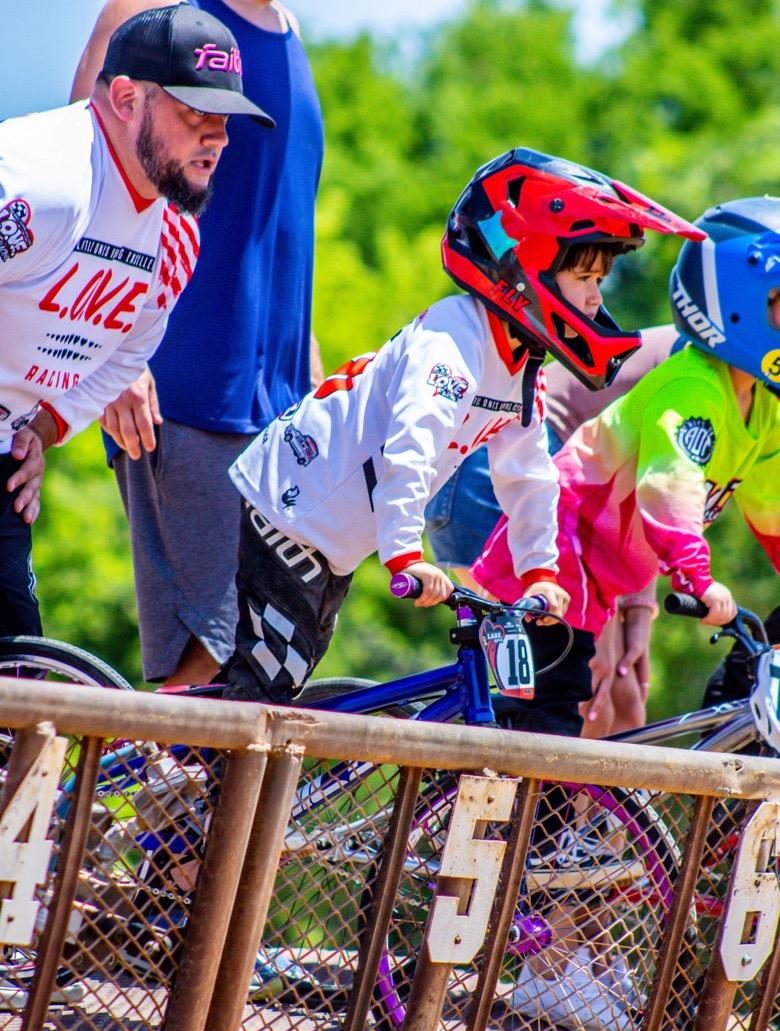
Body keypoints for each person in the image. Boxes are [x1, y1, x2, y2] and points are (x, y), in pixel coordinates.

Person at [217, 147, 701, 710]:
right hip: (292, 509)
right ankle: (177, 774)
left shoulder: (520, 360)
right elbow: (411, 448)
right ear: (525, 269)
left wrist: (539, 572)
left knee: (281, 684)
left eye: (601, 279)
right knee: (265, 689)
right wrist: (405, 554)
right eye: (584, 275)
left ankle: (185, 771)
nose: (597, 297)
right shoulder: (454, 340)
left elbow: (529, 476)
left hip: (333, 535)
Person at [0, 2, 273, 640]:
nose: (219, 137)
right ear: (125, 97)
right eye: (195, 112)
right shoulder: (41, 182)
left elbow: (123, 358)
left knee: (28, 690)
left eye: (226, 117)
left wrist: (43, 425)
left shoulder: (175, 238)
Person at [72, 0, 323, 686]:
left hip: (277, 409)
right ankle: (131, 795)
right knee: (203, 665)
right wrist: (113, 352)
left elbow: (277, 234)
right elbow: (89, 170)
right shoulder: (161, 11)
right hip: (181, 388)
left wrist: (318, 390)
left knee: (265, 665)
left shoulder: (289, 31)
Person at [473, 196, 780, 736]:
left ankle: (539, 815)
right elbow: (669, 489)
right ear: (739, 300)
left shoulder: (765, 408)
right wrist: (698, 578)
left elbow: (772, 507)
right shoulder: (694, 388)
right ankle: (519, 820)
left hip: (598, 566)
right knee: (564, 710)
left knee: (605, 708)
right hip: (556, 538)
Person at [425, 325, 679, 736]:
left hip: (535, 490)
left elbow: (642, 498)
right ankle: (511, 798)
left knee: (624, 705)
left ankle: (541, 798)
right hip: (512, 473)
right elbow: (646, 489)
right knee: (588, 702)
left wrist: (638, 608)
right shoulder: (715, 360)